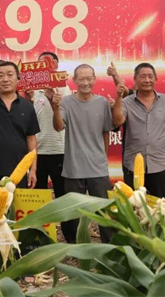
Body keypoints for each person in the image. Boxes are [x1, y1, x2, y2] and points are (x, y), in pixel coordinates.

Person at [48, 64, 114, 243]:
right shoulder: (66, 102)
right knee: (74, 216)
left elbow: (106, 132)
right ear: (74, 80)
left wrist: (103, 157)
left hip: (98, 169)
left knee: (104, 213)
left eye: (89, 78)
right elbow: (58, 126)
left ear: (94, 79)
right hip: (73, 169)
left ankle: (108, 250)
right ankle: (77, 249)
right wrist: (55, 107)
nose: (85, 83)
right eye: (81, 79)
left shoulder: (102, 103)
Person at [112, 63, 165, 198]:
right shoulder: (127, 102)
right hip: (133, 165)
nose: (147, 80)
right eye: (142, 76)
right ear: (135, 79)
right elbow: (117, 121)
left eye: (150, 76)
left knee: (160, 204)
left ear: (156, 79)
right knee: (135, 205)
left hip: (159, 163)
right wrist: (118, 97)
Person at [27, 52, 71, 200]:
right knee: (38, 195)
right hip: (36, 151)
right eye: (40, 63)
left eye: (48, 63)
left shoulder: (63, 88)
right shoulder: (31, 89)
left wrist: (54, 100)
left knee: (62, 194)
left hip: (58, 149)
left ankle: (64, 216)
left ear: (55, 65)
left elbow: (64, 118)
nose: (43, 66)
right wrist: (28, 101)